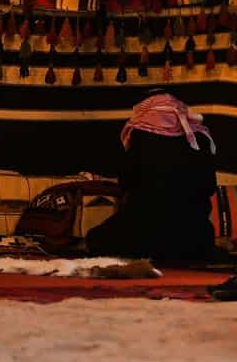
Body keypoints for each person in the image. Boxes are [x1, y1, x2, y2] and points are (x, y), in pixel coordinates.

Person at [86, 92, 227, 265]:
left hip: (142, 235)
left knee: (95, 239)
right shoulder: (200, 139)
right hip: (193, 239)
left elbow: (125, 183)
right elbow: (209, 186)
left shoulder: (140, 137)